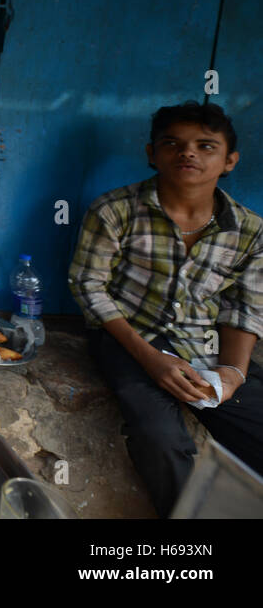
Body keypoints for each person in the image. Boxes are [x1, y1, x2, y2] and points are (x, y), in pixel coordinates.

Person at [69, 101, 263, 516]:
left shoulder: (250, 230)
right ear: (151, 154)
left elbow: (245, 306)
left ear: (229, 161)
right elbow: (89, 287)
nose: (187, 153)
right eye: (172, 143)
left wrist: (233, 373)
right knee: (158, 437)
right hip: (128, 336)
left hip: (203, 341)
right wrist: (152, 360)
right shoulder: (115, 211)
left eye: (205, 146)